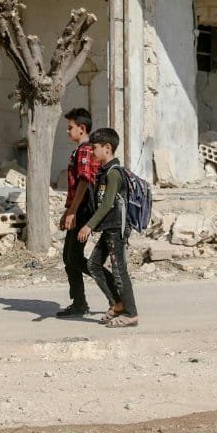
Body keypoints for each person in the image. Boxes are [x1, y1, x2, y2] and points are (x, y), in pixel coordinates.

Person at [79, 128, 138, 328]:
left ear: (107, 148)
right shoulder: (104, 172)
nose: (92, 152)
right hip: (108, 228)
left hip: (116, 229)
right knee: (93, 264)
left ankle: (131, 313)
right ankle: (117, 303)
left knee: (119, 270)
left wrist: (89, 226)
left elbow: (107, 204)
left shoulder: (114, 174)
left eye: (94, 148)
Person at [55, 108, 102, 318]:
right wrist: (67, 212)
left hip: (82, 210)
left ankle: (110, 285)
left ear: (82, 129)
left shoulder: (85, 150)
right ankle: (79, 301)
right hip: (76, 209)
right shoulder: (80, 150)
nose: (68, 131)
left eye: (70, 127)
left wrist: (73, 211)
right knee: (69, 257)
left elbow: (85, 181)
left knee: (74, 257)